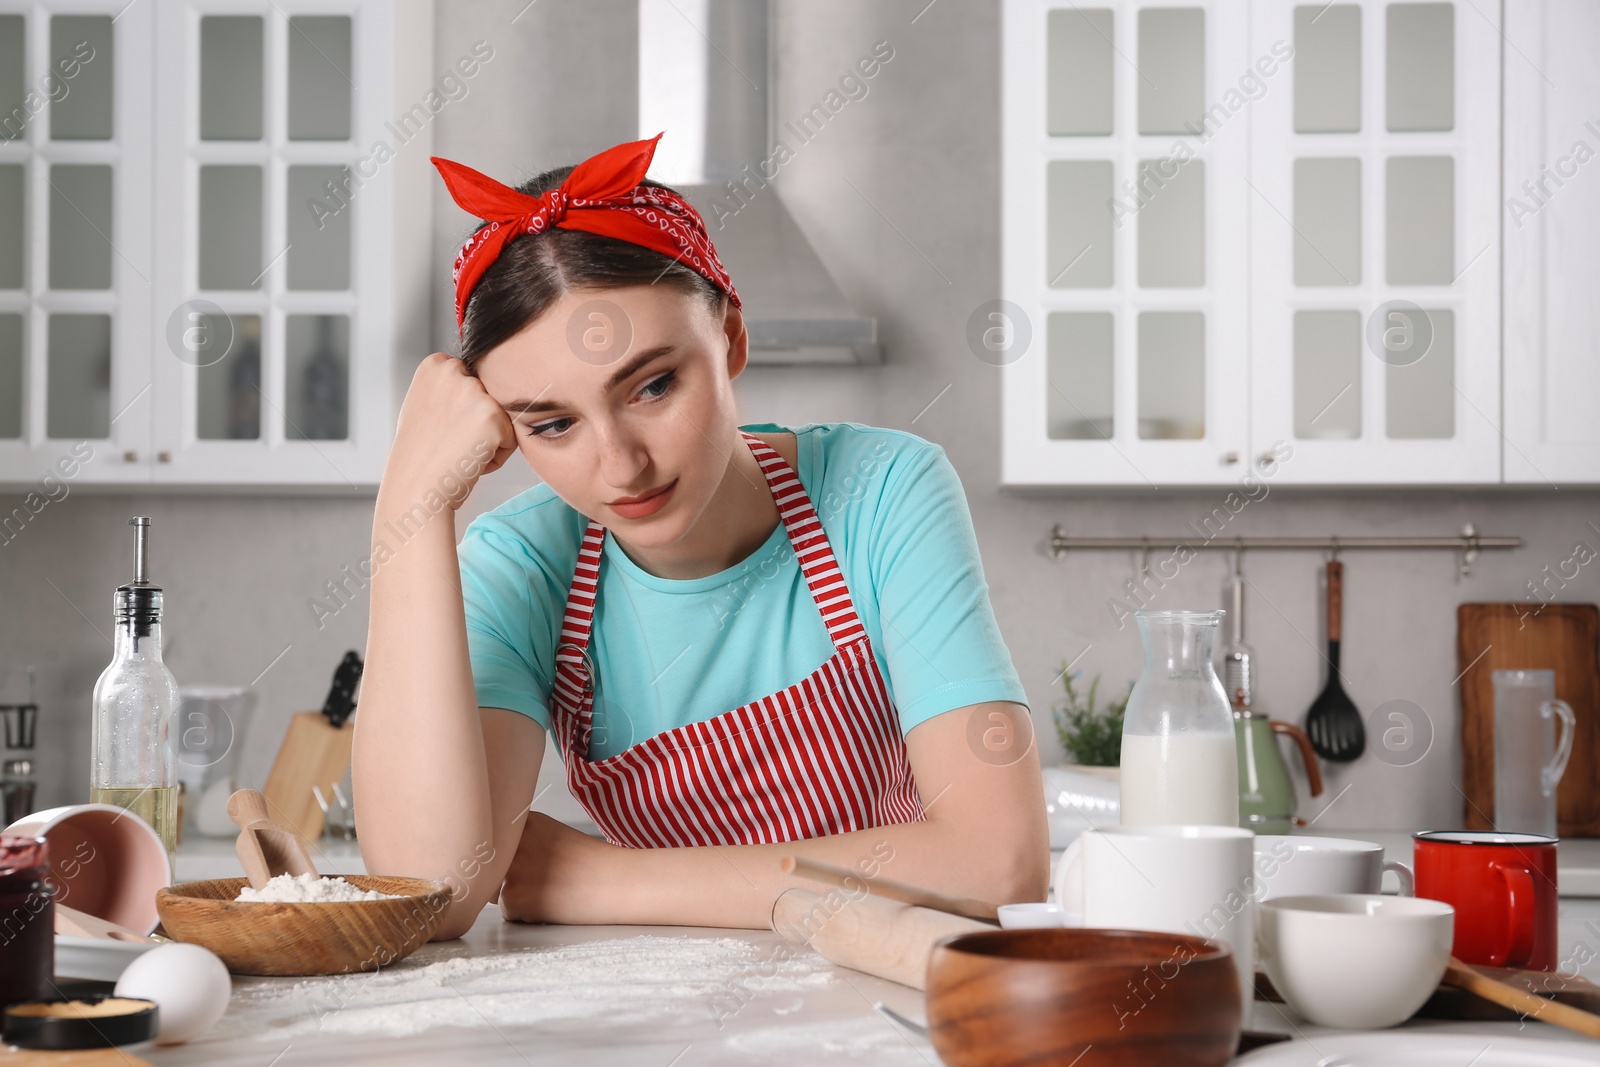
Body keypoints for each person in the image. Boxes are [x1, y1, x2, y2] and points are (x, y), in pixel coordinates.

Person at [353, 134, 1047, 940]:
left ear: (731, 340)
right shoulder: (524, 563)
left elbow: (999, 865)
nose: (621, 464)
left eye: (652, 385)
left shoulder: (883, 490)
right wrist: (409, 506)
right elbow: (432, 892)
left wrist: (603, 879)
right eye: (553, 423)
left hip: (874, 1000)